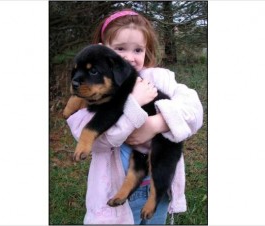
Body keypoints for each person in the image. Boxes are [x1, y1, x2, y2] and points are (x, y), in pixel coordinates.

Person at [65, 9, 203, 224]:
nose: (129, 57)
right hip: (111, 188)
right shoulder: (97, 84)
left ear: (146, 50)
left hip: (157, 167)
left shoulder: (160, 78)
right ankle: (126, 191)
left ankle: (155, 199)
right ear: (103, 51)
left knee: (157, 187)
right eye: (120, 49)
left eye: (138, 50)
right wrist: (134, 103)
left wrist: (157, 123)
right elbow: (100, 139)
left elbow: (194, 110)